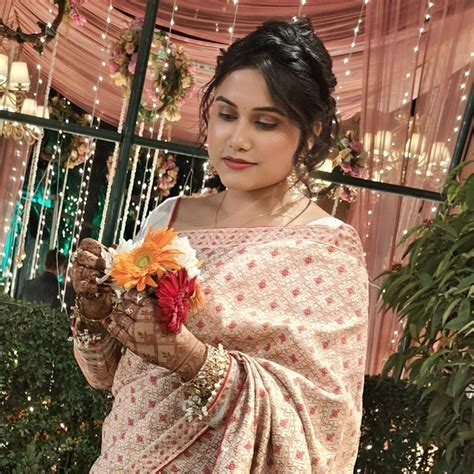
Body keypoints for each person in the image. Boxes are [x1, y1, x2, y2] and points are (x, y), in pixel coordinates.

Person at [70, 17, 368, 473]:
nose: (237, 139)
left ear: (308, 135)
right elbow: (109, 376)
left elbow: (325, 421)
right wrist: (96, 314)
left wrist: (188, 357)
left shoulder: (325, 249)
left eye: (265, 123)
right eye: (227, 115)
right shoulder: (169, 217)